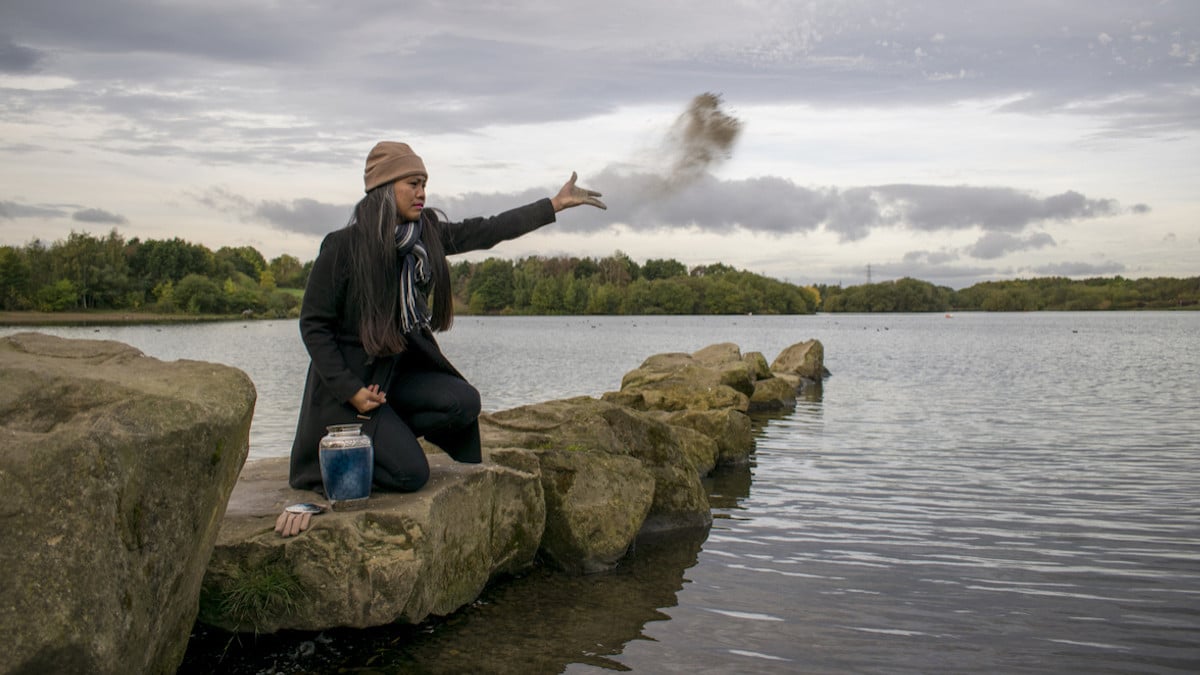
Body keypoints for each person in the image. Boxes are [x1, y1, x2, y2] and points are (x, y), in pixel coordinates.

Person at [276, 141, 605, 536]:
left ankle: (386, 432)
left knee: (463, 401)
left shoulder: (423, 236)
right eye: (413, 183)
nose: (422, 193)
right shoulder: (342, 247)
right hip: (349, 396)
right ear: (384, 188)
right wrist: (351, 389)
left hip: (392, 382)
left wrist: (553, 204)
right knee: (412, 474)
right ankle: (342, 459)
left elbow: (485, 230)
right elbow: (313, 325)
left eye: (424, 184)